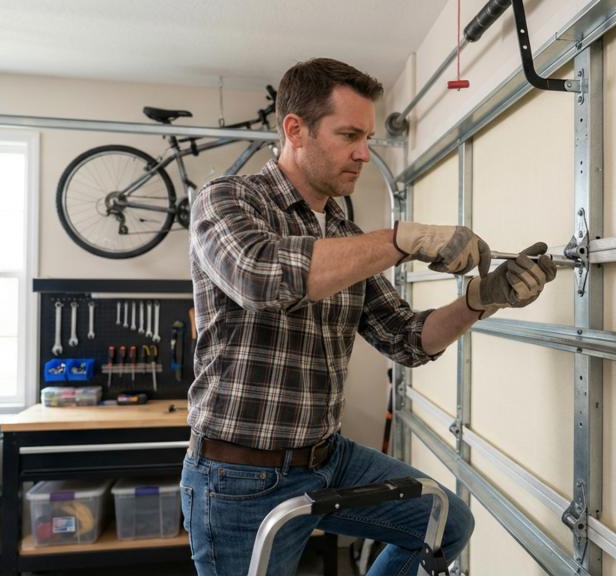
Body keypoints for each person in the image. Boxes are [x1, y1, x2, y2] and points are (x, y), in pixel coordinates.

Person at [181, 57, 557, 576]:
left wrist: (481, 299)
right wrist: (402, 240)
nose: (364, 153)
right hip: (239, 475)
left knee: (444, 523)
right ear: (295, 129)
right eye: (349, 135)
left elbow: (407, 339)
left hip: (326, 458)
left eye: (369, 137)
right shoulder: (226, 200)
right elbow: (259, 276)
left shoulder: (341, 231)